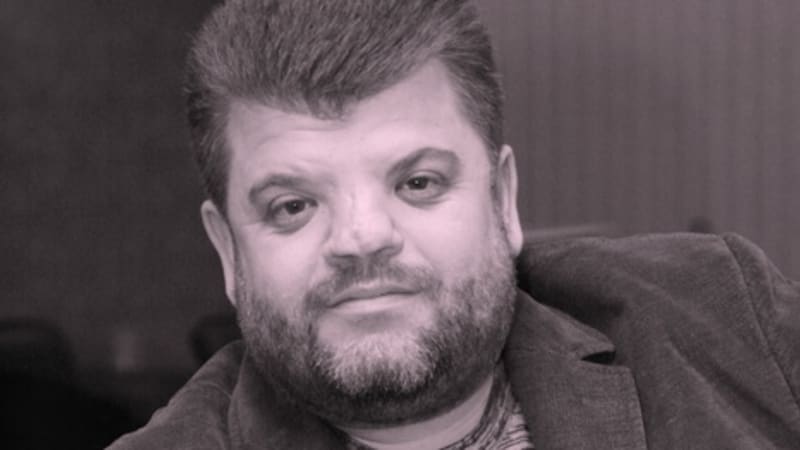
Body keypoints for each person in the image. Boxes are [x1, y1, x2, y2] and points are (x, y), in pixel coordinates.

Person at [110, 0, 800, 448]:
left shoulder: (722, 314)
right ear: (228, 251)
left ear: (502, 201)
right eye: (293, 206)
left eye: (418, 183)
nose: (362, 238)